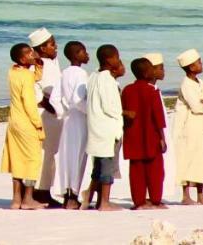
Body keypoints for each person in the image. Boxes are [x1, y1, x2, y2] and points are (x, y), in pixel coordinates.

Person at [0, 42, 45, 210]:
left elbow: (34, 78)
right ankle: (28, 198)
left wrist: (38, 66)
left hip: (14, 121)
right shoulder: (25, 75)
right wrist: (38, 124)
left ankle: (16, 199)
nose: (33, 55)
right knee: (33, 159)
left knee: (17, 158)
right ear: (21, 58)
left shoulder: (13, 72)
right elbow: (29, 102)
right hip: (26, 121)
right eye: (29, 54)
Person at [173, 48, 203, 205]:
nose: (201, 64)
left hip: (200, 127)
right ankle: (186, 195)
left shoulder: (201, 83)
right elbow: (196, 107)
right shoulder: (186, 85)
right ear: (191, 67)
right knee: (186, 158)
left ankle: (201, 194)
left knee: (200, 159)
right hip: (188, 127)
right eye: (199, 62)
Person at [122, 57, 167, 209]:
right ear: (147, 72)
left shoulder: (127, 90)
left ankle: (139, 202)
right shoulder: (152, 90)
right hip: (151, 135)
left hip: (133, 135)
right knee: (155, 170)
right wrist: (162, 137)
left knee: (136, 170)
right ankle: (155, 199)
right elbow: (158, 117)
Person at [84, 43, 126, 211]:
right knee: (107, 167)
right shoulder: (107, 79)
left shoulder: (94, 76)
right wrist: (124, 113)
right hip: (107, 128)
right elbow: (110, 106)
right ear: (109, 60)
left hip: (96, 127)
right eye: (117, 57)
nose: (119, 60)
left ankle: (92, 197)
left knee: (99, 166)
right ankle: (104, 202)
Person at [27, 27, 64, 207]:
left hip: (54, 114)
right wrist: (50, 107)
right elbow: (36, 92)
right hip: (45, 114)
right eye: (52, 44)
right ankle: (41, 192)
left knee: (51, 154)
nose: (55, 47)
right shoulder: (38, 64)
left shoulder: (52, 62)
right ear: (42, 48)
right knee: (45, 154)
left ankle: (45, 190)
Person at [54, 40, 90, 209]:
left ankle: (67, 194)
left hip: (68, 119)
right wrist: (90, 111)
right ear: (76, 55)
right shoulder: (81, 73)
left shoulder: (63, 72)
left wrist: (62, 112)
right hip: (79, 118)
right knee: (79, 156)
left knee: (67, 157)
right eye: (84, 51)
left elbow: (55, 98)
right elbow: (78, 99)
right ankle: (73, 196)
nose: (87, 54)